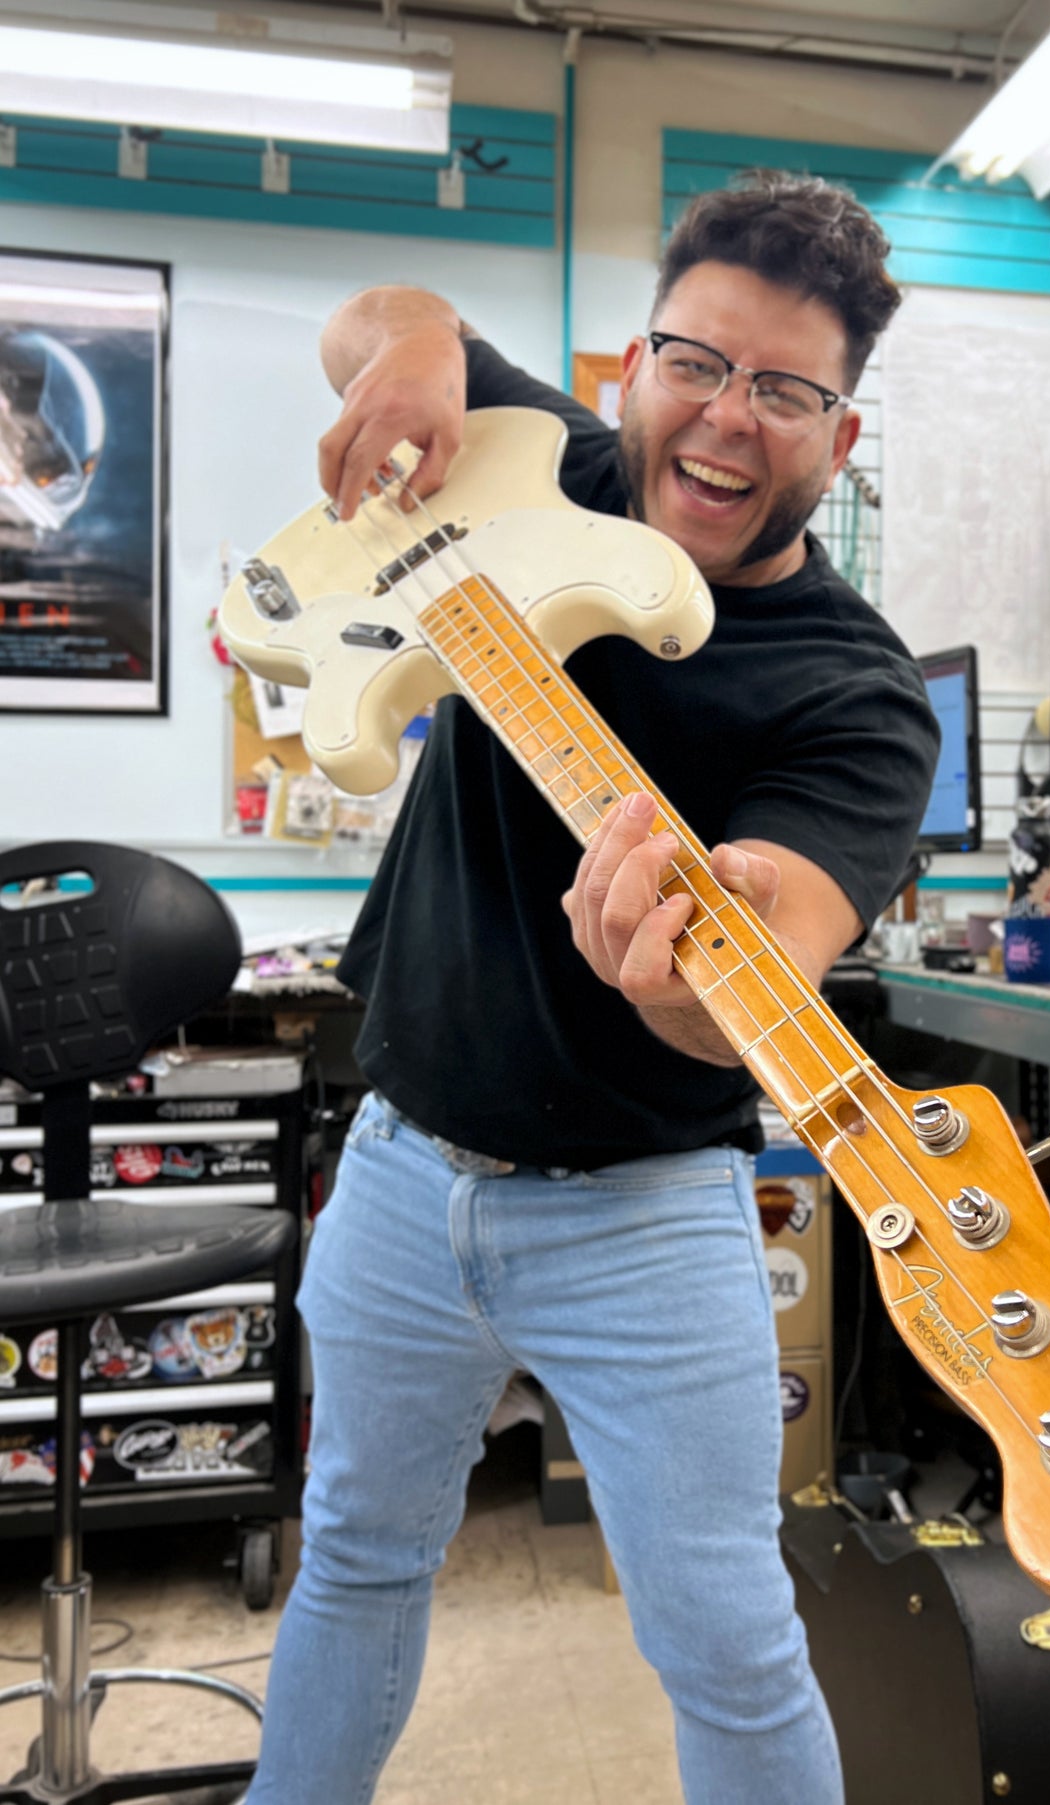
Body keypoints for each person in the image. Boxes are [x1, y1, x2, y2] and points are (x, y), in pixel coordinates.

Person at [246, 170, 940, 1805]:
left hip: (648, 1212)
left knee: (726, 1640)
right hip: (400, 1169)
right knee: (351, 1555)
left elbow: (766, 965)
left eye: (785, 390)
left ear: (839, 438)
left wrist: (695, 966)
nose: (726, 415)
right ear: (634, 367)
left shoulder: (857, 691)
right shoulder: (544, 462)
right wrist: (416, 345)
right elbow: (374, 323)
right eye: (694, 362)